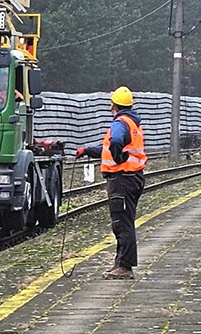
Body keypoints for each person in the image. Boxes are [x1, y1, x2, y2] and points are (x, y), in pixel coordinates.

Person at [76, 86, 146, 280]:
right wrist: (87, 150)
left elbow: (115, 143)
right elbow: (109, 148)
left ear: (114, 105)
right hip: (133, 178)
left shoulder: (119, 123)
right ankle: (120, 263)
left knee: (122, 224)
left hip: (122, 179)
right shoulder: (132, 123)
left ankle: (125, 267)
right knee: (124, 221)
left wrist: (117, 158)